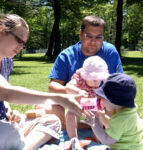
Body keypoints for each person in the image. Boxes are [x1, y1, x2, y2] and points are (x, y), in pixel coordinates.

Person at [0, 14, 84, 150]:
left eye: (24, 43)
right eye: (18, 40)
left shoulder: (6, 62)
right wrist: (59, 98)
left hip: (4, 123)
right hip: (4, 129)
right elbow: (6, 92)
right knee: (11, 133)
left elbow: (4, 95)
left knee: (52, 121)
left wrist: (9, 110)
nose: (21, 46)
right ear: (1, 31)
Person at [37, 15, 123, 129]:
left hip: (102, 104)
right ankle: (87, 126)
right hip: (74, 103)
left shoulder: (110, 52)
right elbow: (53, 86)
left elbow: (119, 82)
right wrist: (68, 90)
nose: (93, 42)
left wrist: (105, 101)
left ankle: (80, 125)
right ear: (80, 33)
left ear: (103, 37)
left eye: (98, 37)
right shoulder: (67, 55)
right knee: (48, 106)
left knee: (124, 110)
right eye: (89, 36)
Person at [84, 73, 143, 150]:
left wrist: (94, 123)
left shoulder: (121, 118)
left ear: (113, 101)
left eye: (103, 98)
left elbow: (106, 140)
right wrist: (104, 118)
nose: (101, 101)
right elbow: (117, 128)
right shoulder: (127, 112)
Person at [65, 56, 109, 139]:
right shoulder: (79, 78)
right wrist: (78, 91)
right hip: (78, 103)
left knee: (99, 114)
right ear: (85, 75)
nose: (97, 82)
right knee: (70, 114)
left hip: (93, 103)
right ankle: (73, 138)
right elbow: (68, 87)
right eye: (93, 79)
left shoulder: (102, 80)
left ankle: (98, 137)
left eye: (99, 79)